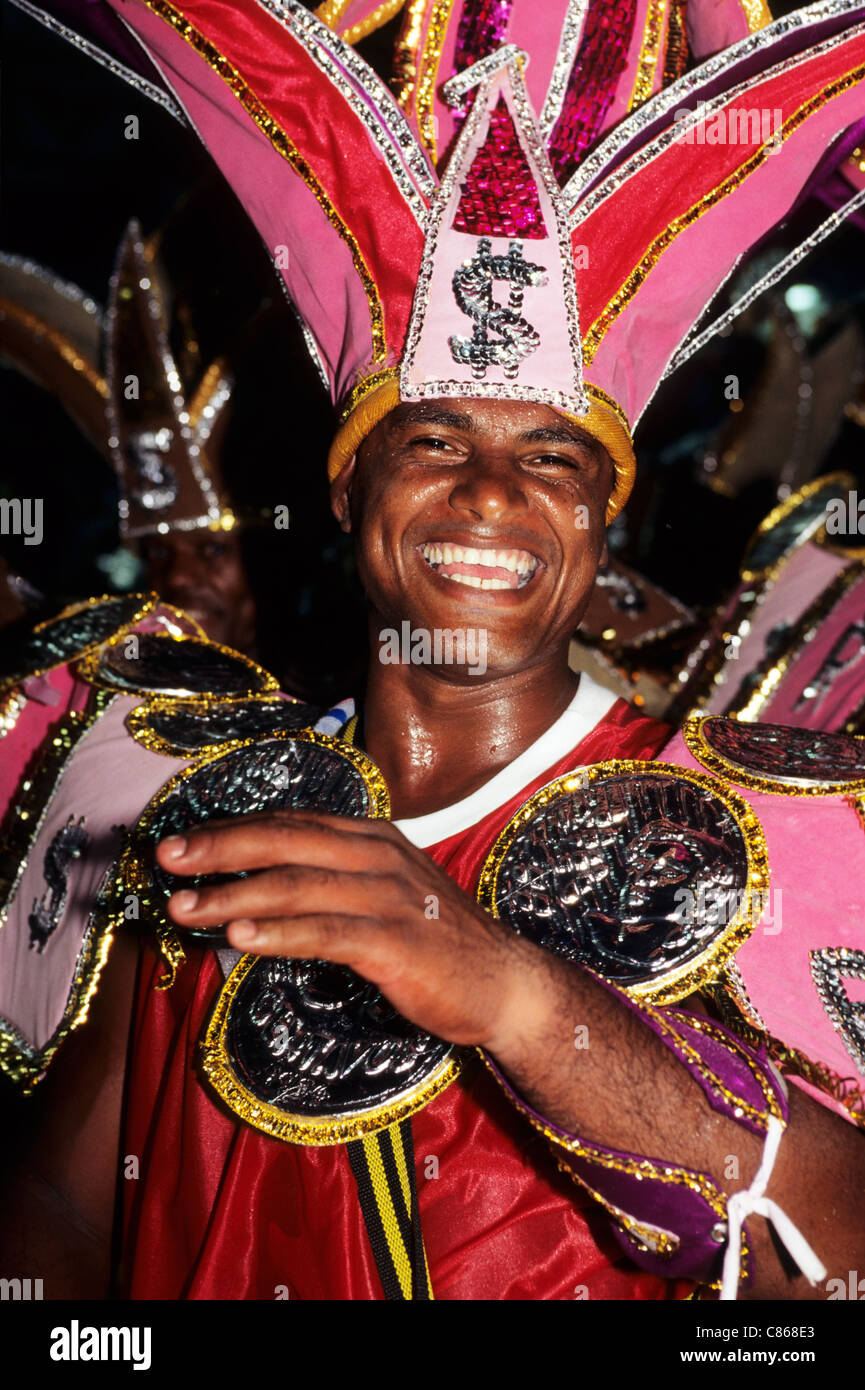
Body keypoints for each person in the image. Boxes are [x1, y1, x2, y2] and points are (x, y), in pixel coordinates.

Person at [2, 0, 864, 1302]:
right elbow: (64, 1206)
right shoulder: (196, 817)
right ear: (350, 495)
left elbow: (841, 1256)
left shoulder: (783, 828)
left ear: (597, 514)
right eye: (435, 442)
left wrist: (515, 1000)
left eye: (551, 460)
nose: (488, 496)